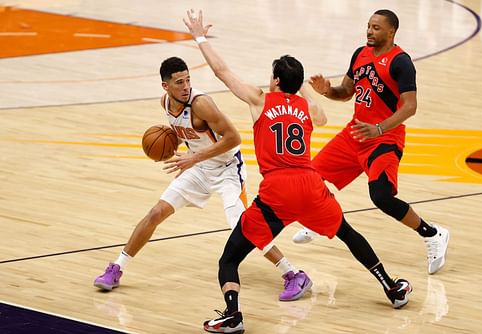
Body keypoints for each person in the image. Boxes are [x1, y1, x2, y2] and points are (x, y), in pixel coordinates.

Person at [183, 9, 412, 334]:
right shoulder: (308, 108)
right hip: (310, 185)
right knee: (348, 234)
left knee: (229, 260)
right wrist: (302, 84)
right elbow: (322, 117)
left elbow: (222, 71)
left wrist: (199, 37)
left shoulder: (260, 100)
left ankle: (233, 316)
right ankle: (391, 286)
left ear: (275, 80)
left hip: (277, 192)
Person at [93, 56, 311, 302]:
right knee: (156, 213)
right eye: (179, 82)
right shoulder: (165, 103)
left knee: (244, 227)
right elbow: (186, 135)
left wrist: (193, 158)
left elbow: (233, 138)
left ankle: (293, 273)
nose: (185, 86)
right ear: (166, 86)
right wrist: (167, 149)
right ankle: (117, 268)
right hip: (199, 167)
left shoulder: (202, 104)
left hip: (228, 169)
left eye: (187, 80)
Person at [293, 9, 450, 275]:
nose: (369, 31)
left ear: (391, 32)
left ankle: (433, 233)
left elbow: (410, 107)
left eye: (376, 28)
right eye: (368, 26)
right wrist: (327, 91)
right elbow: (345, 93)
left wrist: (379, 128)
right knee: (311, 178)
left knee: (382, 197)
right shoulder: (360, 54)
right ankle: (321, 219)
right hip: (356, 133)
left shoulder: (401, 62)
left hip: (384, 137)